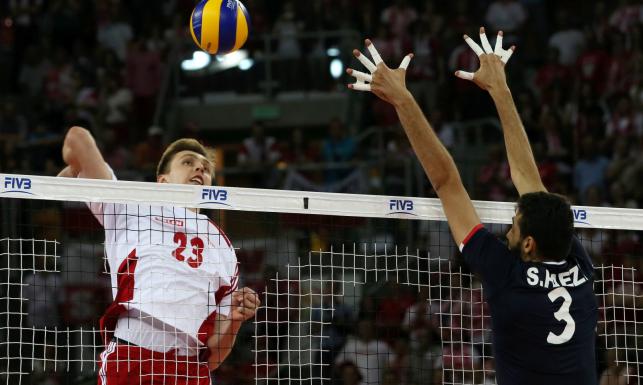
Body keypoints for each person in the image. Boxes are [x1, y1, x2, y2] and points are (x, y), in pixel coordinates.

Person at [347, 27, 598, 384]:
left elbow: (448, 183)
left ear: (529, 243)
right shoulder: (579, 268)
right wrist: (500, 89)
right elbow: (531, 184)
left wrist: (402, 99)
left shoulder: (509, 275)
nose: (508, 229)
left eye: (514, 224)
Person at [57, 126, 260, 384]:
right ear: (163, 181)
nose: (200, 169)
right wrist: (76, 171)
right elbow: (77, 138)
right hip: (132, 357)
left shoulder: (224, 247)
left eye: (206, 168)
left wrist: (235, 320)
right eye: (188, 162)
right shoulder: (132, 206)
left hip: (189, 369)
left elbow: (214, 356)